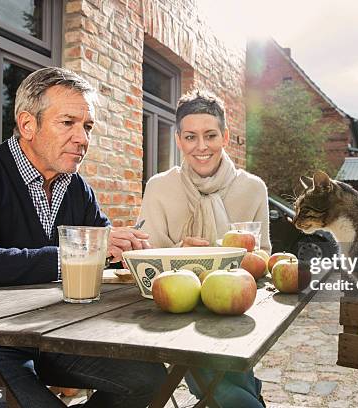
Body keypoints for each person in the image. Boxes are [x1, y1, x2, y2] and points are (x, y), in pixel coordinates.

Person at [0, 67, 165, 407]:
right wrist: (68, 257)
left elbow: (103, 252)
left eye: (87, 126)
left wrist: (128, 253)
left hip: (45, 338)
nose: (82, 138)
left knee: (149, 379)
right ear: (28, 124)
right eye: (68, 123)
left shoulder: (77, 189)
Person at [140, 89, 270, 407]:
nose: (201, 147)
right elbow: (144, 259)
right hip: (173, 313)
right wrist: (180, 252)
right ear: (178, 140)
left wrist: (239, 257)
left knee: (227, 379)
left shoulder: (253, 188)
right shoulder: (158, 187)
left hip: (231, 312)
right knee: (231, 386)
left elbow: (264, 255)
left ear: (225, 136)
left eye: (210, 135)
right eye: (191, 137)